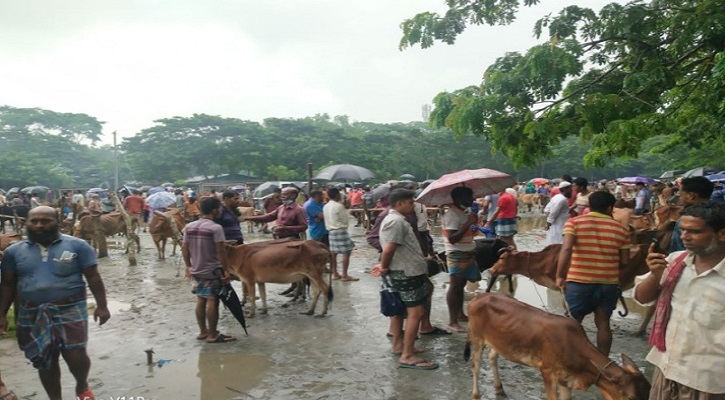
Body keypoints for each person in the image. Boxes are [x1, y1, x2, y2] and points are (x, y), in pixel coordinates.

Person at [0, 206, 110, 400]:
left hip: (70, 307)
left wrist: (102, 306)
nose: (39, 225)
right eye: (34, 221)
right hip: (32, 310)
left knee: (75, 353)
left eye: (45, 221)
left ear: (57, 222)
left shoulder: (78, 246)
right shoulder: (13, 252)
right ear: (27, 223)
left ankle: (82, 386)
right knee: (45, 358)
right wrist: (1, 314)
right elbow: (8, 284)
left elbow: (93, 277)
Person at [634, 201, 725, 398]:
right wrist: (655, 275)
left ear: (722, 234)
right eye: (682, 230)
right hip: (667, 370)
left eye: (694, 232)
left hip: (710, 382)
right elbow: (641, 297)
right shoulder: (674, 262)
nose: (684, 237)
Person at [556, 191, 630, 356]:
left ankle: (570, 358)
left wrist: (560, 275)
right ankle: (602, 362)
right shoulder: (622, 230)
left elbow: (566, 248)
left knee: (573, 323)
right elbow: (625, 262)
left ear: (590, 205)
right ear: (610, 207)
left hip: (579, 282)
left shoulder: (573, 223)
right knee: (603, 324)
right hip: (608, 284)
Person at [373, 188, 439, 370]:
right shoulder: (395, 221)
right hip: (406, 271)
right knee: (415, 313)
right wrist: (384, 266)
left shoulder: (395, 219)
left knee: (399, 310)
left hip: (404, 269)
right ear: (400, 203)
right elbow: (389, 249)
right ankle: (407, 355)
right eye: (410, 202)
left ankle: (399, 346)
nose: (413, 205)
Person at [182, 196, 236, 344]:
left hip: (197, 269)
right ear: (213, 210)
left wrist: (188, 266)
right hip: (212, 270)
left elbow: (185, 248)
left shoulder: (190, 226)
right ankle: (213, 334)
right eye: (219, 208)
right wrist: (226, 270)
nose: (220, 211)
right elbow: (221, 252)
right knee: (213, 300)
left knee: (200, 298)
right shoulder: (215, 228)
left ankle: (203, 332)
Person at [442, 186, 480, 333]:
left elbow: (467, 233)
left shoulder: (464, 212)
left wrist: (473, 224)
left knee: (461, 285)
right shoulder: (452, 214)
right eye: (470, 197)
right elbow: (452, 238)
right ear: (460, 199)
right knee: (455, 286)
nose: (473, 199)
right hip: (456, 253)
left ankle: (460, 314)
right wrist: (468, 223)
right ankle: (452, 321)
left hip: (467, 251)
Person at [670, 177, 714, 252]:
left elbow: (678, 249)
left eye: (680, 195)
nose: (680, 199)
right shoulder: (720, 213)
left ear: (690, 196)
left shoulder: (686, 220)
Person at [323, 187, 358, 281]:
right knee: (346, 252)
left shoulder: (326, 206)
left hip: (331, 231)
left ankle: (335, 274)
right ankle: (345, 275)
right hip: (340, 230)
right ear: (337, 195)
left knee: (333, 253)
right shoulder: (339, 206)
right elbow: (345, 220)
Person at [545, 181, 572, 245]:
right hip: (560, 226)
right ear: (564, 189)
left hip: (555, 225)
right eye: (570, 189)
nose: (571, 191)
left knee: (552, 242)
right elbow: (554, 211)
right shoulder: (562, 199)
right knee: (559, 243)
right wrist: (549, 222)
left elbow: (546, 210)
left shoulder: (556, 197)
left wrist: (550, 220)